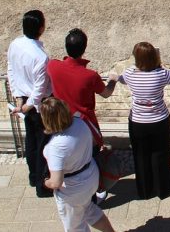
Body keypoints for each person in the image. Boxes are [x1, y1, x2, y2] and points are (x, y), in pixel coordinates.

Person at [109, 42, 170, 200]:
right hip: (159, 121)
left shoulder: (130, 73)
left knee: (140, 156)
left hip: (138, 122)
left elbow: (122, 79)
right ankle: (163, 190)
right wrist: (160, 65)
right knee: (161, 155)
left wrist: (114, 78)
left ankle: (144, 191)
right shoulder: (161, 74)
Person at [41, 97, 116, 232]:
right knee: (90, 210)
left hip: (72, 189)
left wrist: (45, 182)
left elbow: (56, 182)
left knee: (75, 227)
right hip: (91, 175)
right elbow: (93, 141)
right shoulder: (80, 122)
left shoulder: (55, 146)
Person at [8, 9, 53, 198]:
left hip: (24, 101)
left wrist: (18, 98)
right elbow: (40, 87)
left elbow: (11, 70)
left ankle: (33, 177)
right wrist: (29, 105)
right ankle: (42, 186)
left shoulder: (15, 44)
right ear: (41, 28)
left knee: (32, 142)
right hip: (37, 104)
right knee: (43, 144)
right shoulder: (40, 57)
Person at [47, 29, 118, 147]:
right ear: (84, 48)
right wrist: (112, 80)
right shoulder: (90, 75)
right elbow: (106, 93)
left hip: (61, 122)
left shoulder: (52, 66)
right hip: (85, 124)